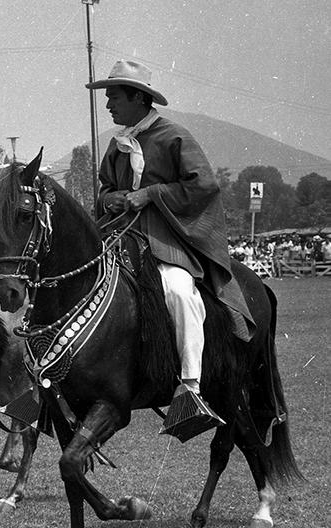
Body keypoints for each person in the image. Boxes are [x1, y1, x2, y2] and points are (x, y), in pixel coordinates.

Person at [87, 60, 256, 434]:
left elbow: (203, 186)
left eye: (113, 97)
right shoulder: (117, 147)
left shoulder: (173, 136)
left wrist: (150, 194)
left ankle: (191, 387)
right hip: (120, 239)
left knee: (180, 292)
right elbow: (103, 190)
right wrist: (112, 198)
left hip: (167, 243)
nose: (108, 105)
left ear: (138, 98)